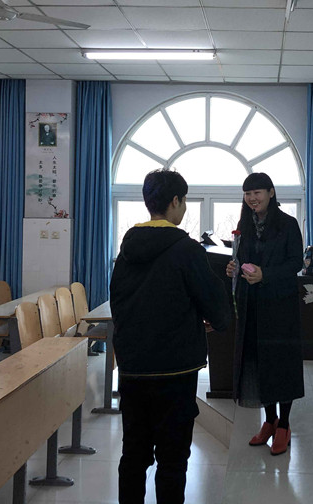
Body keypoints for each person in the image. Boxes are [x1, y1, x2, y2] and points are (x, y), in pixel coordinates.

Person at [111, 168, 229, 504]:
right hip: (175, 371)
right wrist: (209, 319)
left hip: (133, 369)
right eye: (185, 200)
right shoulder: (187, 249)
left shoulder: (127, 249)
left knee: (133, 454)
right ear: (175, 201)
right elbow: (216, 306)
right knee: (172, 459)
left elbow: (120, 302)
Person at [226, 172, 304, 456]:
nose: (252, 198)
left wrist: (265, 275)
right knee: (259, 363)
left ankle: (284, 425)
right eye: (248, 194)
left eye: (257, 192)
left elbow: (296, 262)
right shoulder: (244, 225)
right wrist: (234, 268)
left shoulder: (287, 224)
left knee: (281, 364)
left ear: (271, 193)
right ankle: (269, 421)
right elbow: (242, 258)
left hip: (280, 305)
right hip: (252, 303)